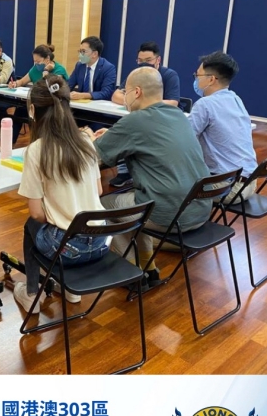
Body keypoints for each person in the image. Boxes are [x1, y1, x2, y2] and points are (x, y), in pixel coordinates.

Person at [90, 67, 211, 287]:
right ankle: (147, 267)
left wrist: (88, 136)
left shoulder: (135, 121)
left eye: (125, 91)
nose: (124, 96)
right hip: (200, 208)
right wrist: (115, 135)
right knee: (138, 199)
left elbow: (93, 155)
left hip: (169, 215)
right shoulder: (179, 115)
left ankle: (131, 271)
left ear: (136, 92)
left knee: (103, 204)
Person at [13, 75, 109, 313]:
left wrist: (58, 214)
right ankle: (71, 291)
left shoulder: (37, 150)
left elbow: (36, 214)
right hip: (101, 242)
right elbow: (98, 190)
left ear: (33, 111)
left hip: (68, 250)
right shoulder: (85, 141)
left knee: (31, 226)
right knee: (63, 227)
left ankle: (31, 295)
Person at [109, 41, 182, 187]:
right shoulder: (137, 75)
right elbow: (116, 95)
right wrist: (137, 100)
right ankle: (124, 171)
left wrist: (140, 101)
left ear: (158, 60)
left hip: (159, 121)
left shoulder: (169, 75)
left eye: (148, 60)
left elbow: (173, 102)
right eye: (140, 60)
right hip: (138, 119)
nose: (144, 64)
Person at [189, 51, 258, 203]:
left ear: (211, 79)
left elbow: (185, 140)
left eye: (197, 75)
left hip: (226, 188)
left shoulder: (205, 104)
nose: (195, 79)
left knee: (170, 185)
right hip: (249, 183)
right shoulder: (235, 99)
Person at [8, 44, 68, 145]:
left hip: (53, 107)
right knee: (19, 111)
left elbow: (49, 88)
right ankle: (9, 144)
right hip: (38, 104)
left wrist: (46, 71)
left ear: (47, 59)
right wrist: (15, 84)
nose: (36, 64)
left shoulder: (59, 70)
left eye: (38, 61)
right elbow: (22, 81)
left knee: (37, 115)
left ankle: (41, 144)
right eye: (34, 61)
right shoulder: (35, 69)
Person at [67, 36, 116, 102]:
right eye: (79, 51)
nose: (80, 55)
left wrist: (83, 95)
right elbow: (68, 85)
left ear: (94, 54)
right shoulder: (79, 66)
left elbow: (106, 93)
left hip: (98, 105)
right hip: (81, 105)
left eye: (83, 51)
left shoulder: (108, 68)